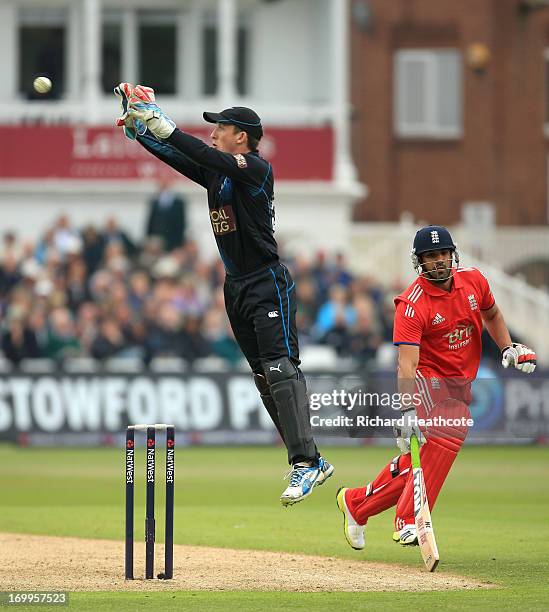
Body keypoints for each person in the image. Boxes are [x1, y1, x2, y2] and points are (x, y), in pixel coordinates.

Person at [114, 83, 334, 505]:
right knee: (262, 377)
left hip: (267, 281)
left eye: (222, 127)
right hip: (235, 285)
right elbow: (182, 158)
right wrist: (140, 130)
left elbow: (201, 153)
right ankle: (311, 460)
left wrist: (160, 120)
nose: (213, 131)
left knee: (279, 368)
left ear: (243, 137)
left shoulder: (255, 169)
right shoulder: (219, 173)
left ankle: (305, 463)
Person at [336, 225, 536, 550]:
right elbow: (406, 364)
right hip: (425, 379)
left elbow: (493, 314)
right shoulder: (411, 304)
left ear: (452, 254)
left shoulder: (474, 281)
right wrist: (407, 411)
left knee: (428, 456)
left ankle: (357, 504)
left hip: (459, 382)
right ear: (419, 262)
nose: (439, 261)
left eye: (443, 253)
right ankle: (407, 520)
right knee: (453, 422)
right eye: (431, 256)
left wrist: (507, 348)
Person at [146, 177, 187, 252]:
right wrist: (149, 238)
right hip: (157, 240)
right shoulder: (154, 201)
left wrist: (179, 242)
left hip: (173, 241)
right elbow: (150, 222)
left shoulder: (179, 202)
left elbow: (181, 223)